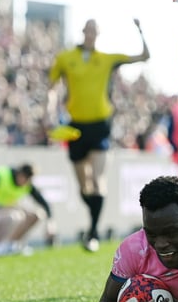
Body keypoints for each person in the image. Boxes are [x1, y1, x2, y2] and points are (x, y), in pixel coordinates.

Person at [47, 18, 150, 252]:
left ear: (98, 34)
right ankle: (92, 220)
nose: (91, 33)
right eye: (88, 29)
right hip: (75, 127)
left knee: (97, 180)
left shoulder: (106, 59)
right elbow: (52, 87)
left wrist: (140, 31)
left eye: (95, 30)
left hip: (100, 125)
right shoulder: (66, 58)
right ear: (83, 31)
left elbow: (144, 56)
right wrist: (49, 108)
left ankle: (92, 232)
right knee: (84, 186)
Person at [0, 163, 54, 256]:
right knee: (15, 217)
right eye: (24, 178)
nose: (24, 182)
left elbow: (44, 203)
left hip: (11, 211)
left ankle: (13, 244)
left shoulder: (27, 184)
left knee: (37, 215)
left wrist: (50, 222)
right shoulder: (1, 177)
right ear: (20, 174)